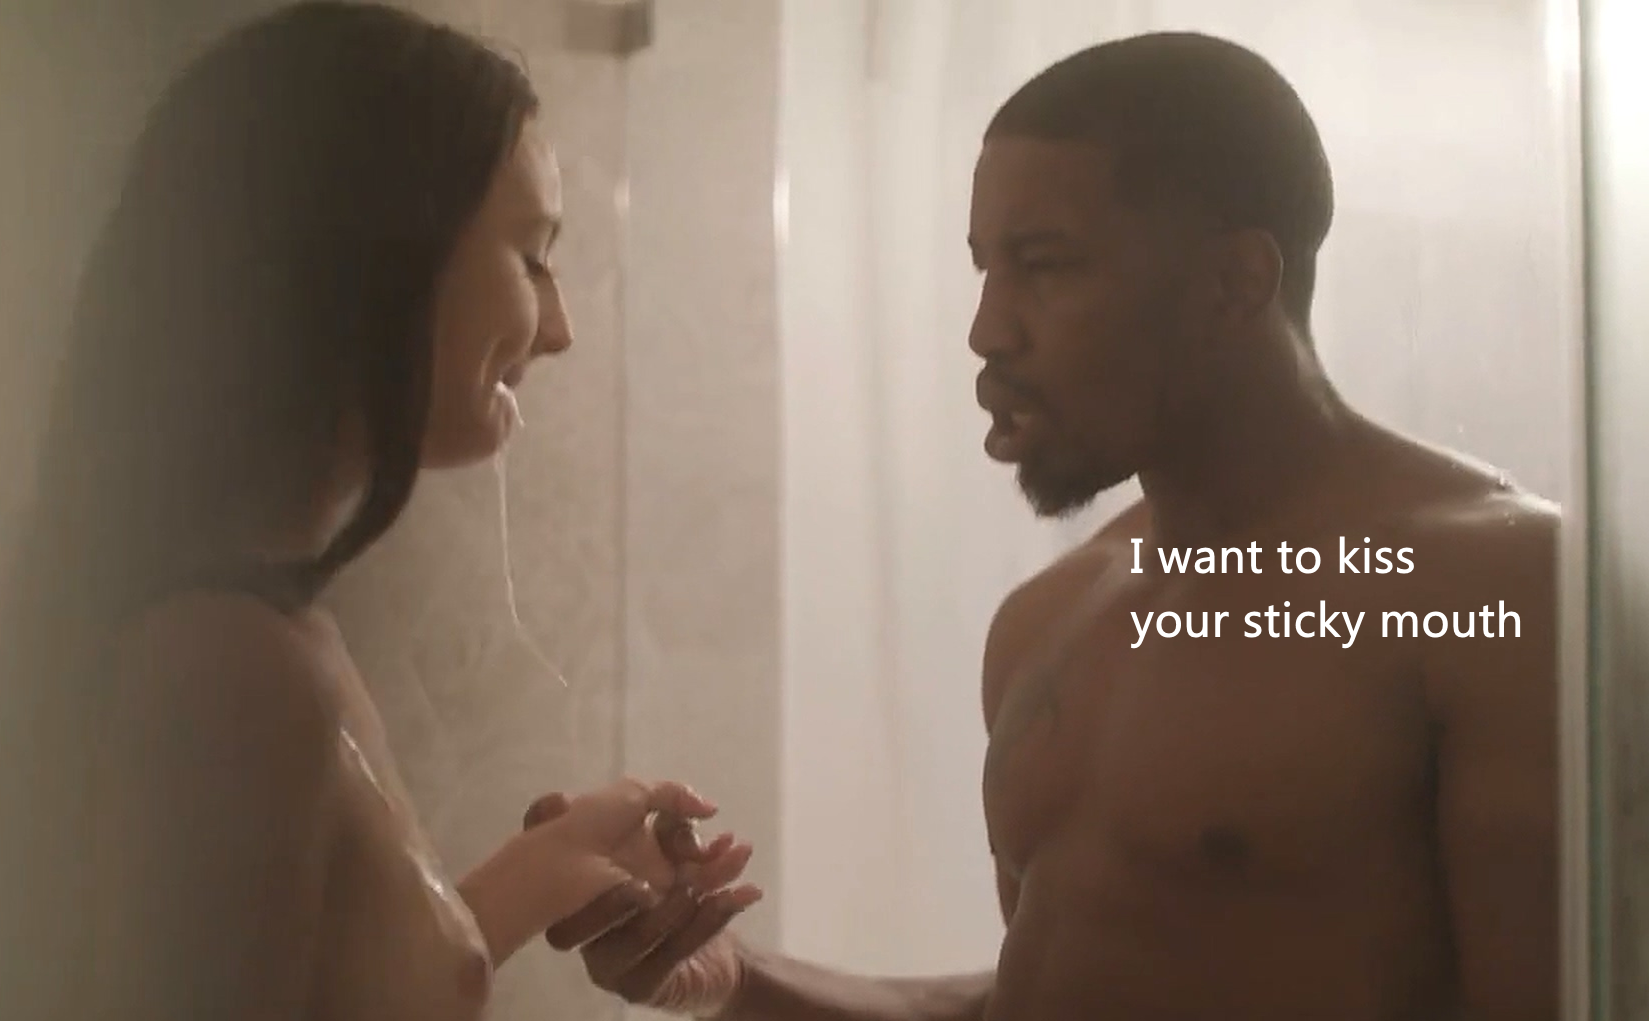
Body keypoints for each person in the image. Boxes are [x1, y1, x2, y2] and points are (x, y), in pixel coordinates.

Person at [578, 31, 1558, 1021]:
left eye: (1043, 266)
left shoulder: (1494, 590)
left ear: (1232, 283)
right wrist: (736, 977)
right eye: (984, 270)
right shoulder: (1049, 621)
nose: (986, 330)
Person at [0, 4, 759, 1019]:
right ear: (374, 257)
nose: (560, 328)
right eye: (531, 257)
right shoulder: (231, 667)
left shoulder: (262, 635)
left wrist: (550, 865)